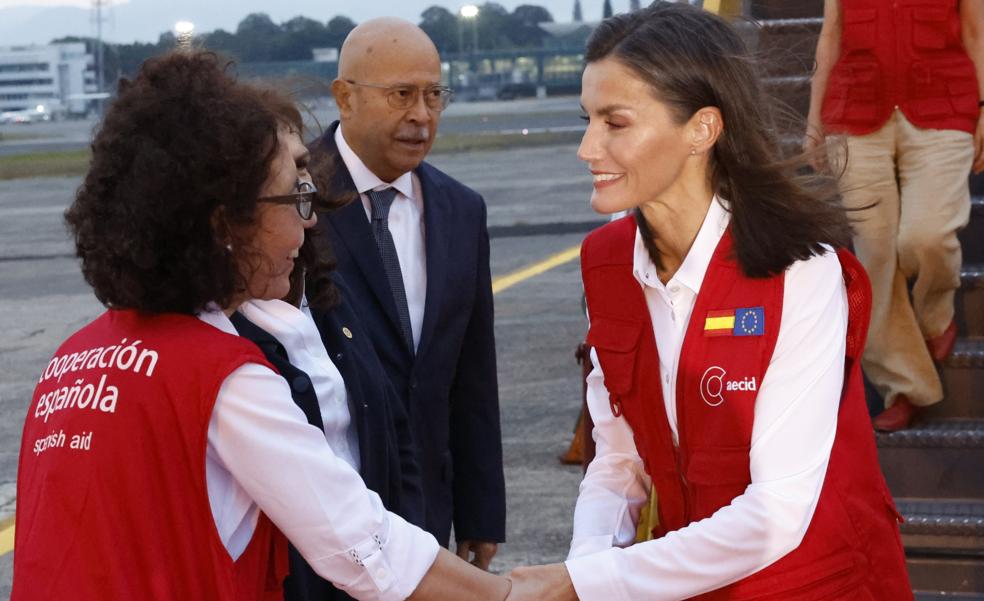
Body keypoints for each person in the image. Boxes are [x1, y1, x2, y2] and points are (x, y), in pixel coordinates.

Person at [12, 50, 511, 601]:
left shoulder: (73, 361)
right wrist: (511, 595)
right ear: (226, 223)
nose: (313, 216)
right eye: (295, 195)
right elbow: (362, 547)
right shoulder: (224, 377)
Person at [505, 4, 910, 600]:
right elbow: (619, 458)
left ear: (702, 129)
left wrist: (586, 583)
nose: (587, 147)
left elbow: (777, 512)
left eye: (616, 122)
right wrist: (587, 565)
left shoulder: (802, 269)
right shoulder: (606, 263)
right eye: (587, 119)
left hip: (819, 583)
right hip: (684, 578)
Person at [309, 17, 505, 567]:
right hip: (325, 510)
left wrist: (480, 511)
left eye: (434, 95)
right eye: (402, 95)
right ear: (344, 99)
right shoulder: (292, 198)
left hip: (428, 510)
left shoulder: (461, 210)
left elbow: (472, 371)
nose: (422, 115)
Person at [226, 92, 426, 601]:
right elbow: (336, 524)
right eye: (294, 189)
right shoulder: (224, 358)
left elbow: (390, 430)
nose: (312, 213)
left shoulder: (324, 298)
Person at [805, 0, 984, 431]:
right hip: (854, 109)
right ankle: (906, 386)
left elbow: (976, 31)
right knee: (875, 254)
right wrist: (814, 116)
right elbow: (831, 34)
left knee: (926, 236)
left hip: (944, 104)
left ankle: (935, 315)